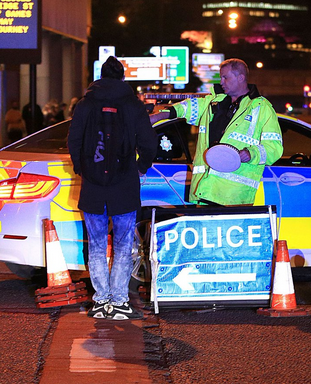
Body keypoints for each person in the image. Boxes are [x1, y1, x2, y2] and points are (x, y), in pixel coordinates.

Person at [67, 56, 158, 320]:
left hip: (93, 186)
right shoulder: (133, 105)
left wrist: (81, 167)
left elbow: (74, 140)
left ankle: (100, 301)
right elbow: (149, 142)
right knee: (122, 245)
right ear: (122, 77)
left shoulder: (86, 104)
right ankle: (119, 301)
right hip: (124, 185)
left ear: (100, 76)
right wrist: (141, 167)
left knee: (96, 245)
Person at [149, 58, 283, 206]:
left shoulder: (261, 108)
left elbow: (274, 147)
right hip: (205, 191)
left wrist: (252, 153)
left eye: (225, 77)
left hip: (234, 197)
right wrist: (158, 116)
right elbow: (185, 108)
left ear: (241, 78)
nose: (221, 82)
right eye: (221, 77)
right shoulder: (214, 102)